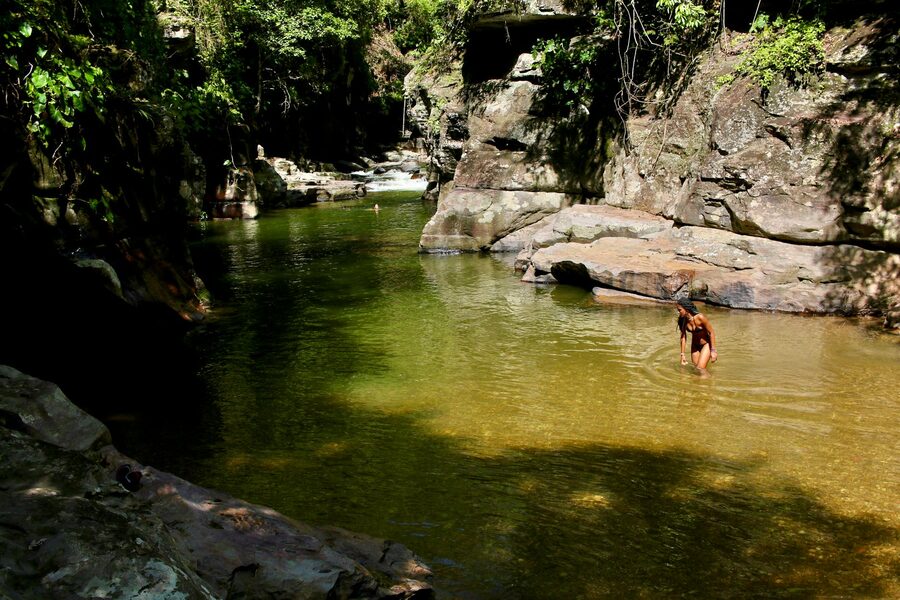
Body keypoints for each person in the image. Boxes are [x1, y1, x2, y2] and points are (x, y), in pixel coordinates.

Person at [676, 298, 717, 370]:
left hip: (706, 344)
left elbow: (711, 332)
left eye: (680, 310)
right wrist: (682, 354)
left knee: (700, 369)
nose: (678, 312)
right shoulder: (683, 320)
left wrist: (713, 351)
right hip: (695, 346)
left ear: (686, 309)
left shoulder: (700, 317)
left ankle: (712, 381)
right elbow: (683, 337)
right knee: (696, 370)